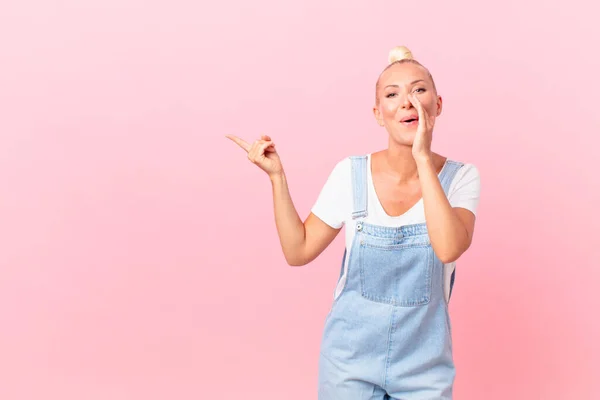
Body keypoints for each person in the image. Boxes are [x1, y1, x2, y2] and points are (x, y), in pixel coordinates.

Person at [226, 45, 480, 400]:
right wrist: (277, 178)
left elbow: (449, 246)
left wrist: (422, 156)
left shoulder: (461, 178)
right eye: (393, 94)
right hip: (349, 365)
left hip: (425, 369)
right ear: (379, 113)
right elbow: (297, 251)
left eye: (418, 90)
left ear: (437, 104)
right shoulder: (351, 174)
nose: (406, 102)